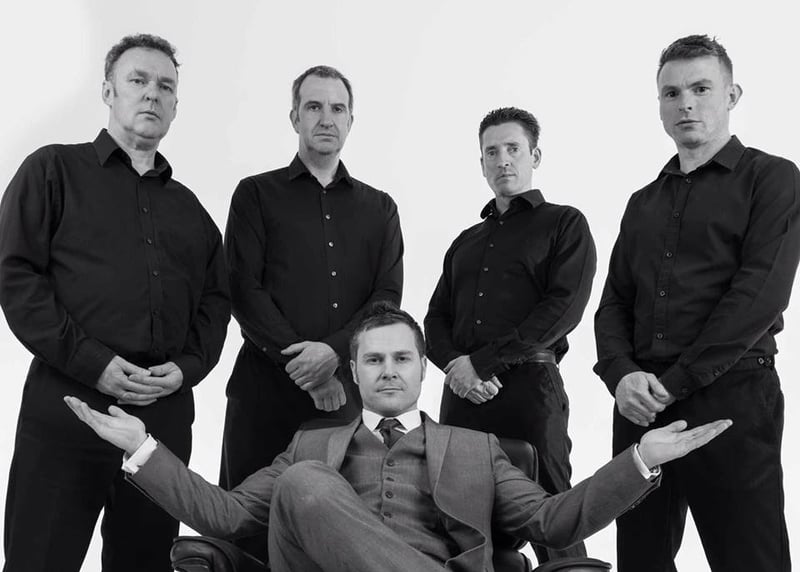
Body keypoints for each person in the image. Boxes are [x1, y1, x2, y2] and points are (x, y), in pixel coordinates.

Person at [66, 302, 730, 572]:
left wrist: (640, 459)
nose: (388, 370)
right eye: (374, 360)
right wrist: (140, 447)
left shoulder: (478, 450)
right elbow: (226, 515)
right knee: (305, 481)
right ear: (354, 372)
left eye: (402, 358)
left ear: (421, 369)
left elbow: (555, 523)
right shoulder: (306, 450)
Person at [0, 34, 230, 572]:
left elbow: (216, 303)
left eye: (165, 86)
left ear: (176, 106)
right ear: (108, 91)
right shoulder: (52, 170)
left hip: (161, 423)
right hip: (68, 406)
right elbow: (15, 276)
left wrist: (187, 368)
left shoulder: (192, 211)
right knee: (39, 561)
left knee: (145, 563)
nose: (152, 93)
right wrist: (94, 364)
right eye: (138, 80)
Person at [594, 34, 799, 572]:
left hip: (730, 398)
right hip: (641, 405)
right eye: (672, 93)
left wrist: (676, 381)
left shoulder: (772, 178)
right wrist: (620, 376)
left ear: (732, 95)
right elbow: (614, 302)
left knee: (749, 559)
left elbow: (759, 295)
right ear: (660, 105)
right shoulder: (642, 202)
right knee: (641, 559)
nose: (685, 103)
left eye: (701, 89)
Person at [219, 63, 403, 559]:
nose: (326, 118)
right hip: (263, 394)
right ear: (294, 117)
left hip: (343, 398)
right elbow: (243, 289)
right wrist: (307, 369)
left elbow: (386, 298)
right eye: (314, 107)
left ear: (351, 121)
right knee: (247, 528)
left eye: (337, 108)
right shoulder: (255, 194)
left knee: (337, 534)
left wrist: (333, 355)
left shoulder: (380, 208)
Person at [425, 107, 596, 563]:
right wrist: (457, 368)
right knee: (459, 524)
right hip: (463, 395)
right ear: (481, 163)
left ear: (534, 156)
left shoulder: (565, 223)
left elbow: (562, 309)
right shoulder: (465, 241)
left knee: (553, 516)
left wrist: (482, 364)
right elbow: (435, 318)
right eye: (491, 152)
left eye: (513, 149)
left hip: (529, 391)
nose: (502, 160)